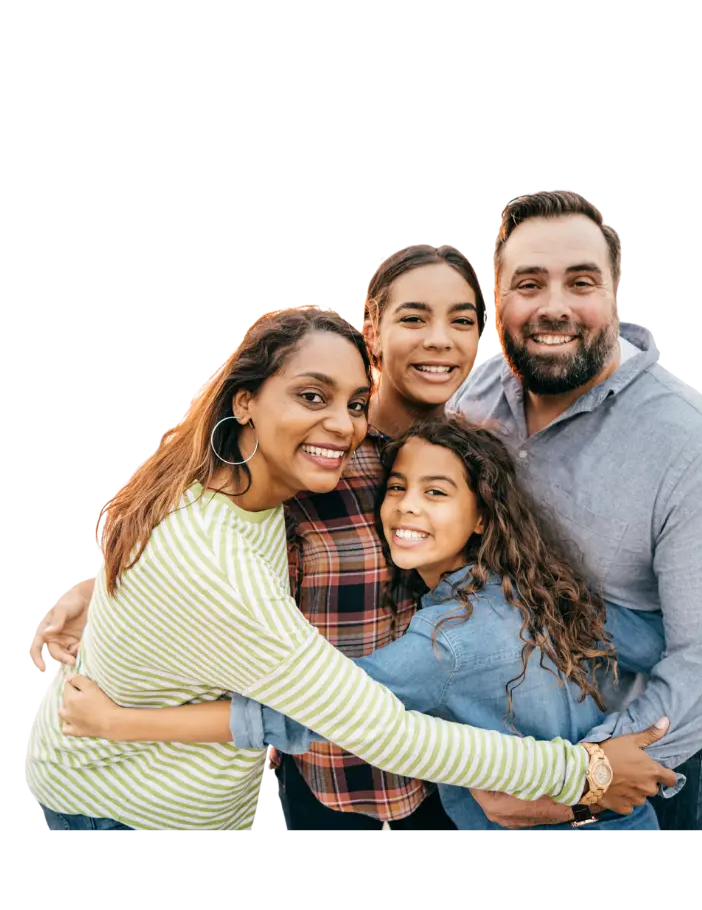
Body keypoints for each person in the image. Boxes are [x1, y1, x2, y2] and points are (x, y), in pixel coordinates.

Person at [27, 304, 673, 836]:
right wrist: (585, 774)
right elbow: (384, 730)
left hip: (187, 800)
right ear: (245, 402)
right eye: (313, 395)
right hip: (125, 812)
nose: (342, 424)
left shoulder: (233, 484)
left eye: (358, 403)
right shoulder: (215, 559)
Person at [32, 246, 484, 836]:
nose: (439, 339)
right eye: (414, 317)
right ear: (373, 329)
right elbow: (202, 545)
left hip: (441, 749)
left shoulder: (474, 451)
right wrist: (102, 588)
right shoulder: (312, 457)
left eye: (463, 319)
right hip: (315, 754)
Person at [446, 190, 702, 834]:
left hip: (630, 780)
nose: (555, 306)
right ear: (496, 303)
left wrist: (582, 775)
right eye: (529, 283)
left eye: (581, 281)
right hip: (485, 765)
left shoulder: (696, 448)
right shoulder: (475, 395)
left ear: (616, 295)